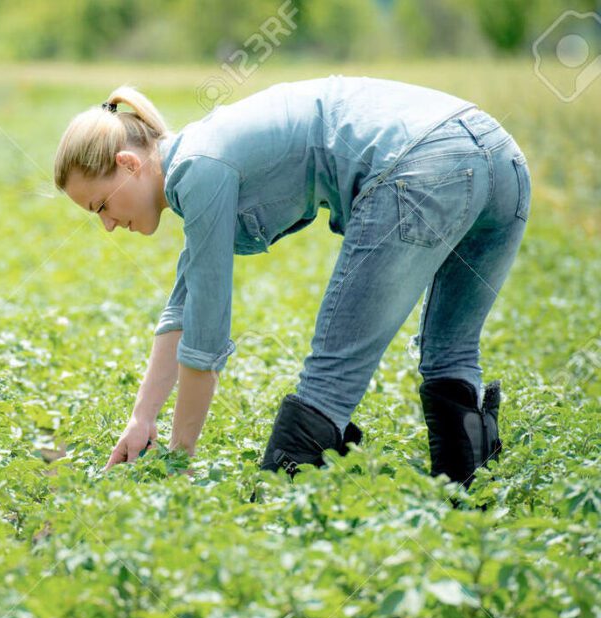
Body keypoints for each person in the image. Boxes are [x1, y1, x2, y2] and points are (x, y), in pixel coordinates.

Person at [53, 76, 531, 488]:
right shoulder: (203, 154)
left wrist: (178, 464)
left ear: (130, 165)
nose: (108, 226)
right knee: (451, 352)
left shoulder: (199, 168)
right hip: (501, 158)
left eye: (100, 207)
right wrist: (143, 417)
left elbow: (204, 341)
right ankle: (471, 505)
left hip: (423, 164)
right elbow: (185, 305)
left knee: (330, 378)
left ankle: (287, 510)